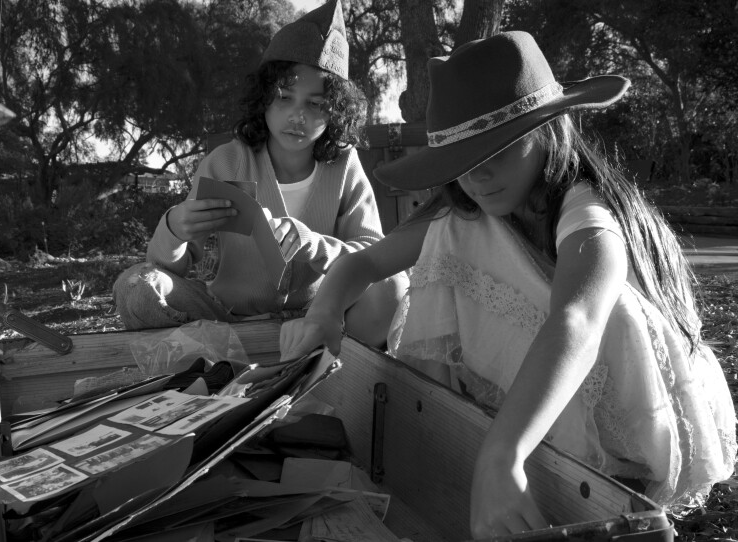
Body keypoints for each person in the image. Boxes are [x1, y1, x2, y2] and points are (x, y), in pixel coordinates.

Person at [279, 31, 737, 537]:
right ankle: (494, 429)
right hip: (536, 396)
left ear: (548, 131)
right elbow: (358, 265)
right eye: (464, 163)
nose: (480, 177)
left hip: (624, 414)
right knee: (456, 230)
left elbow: (578, 320)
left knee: (593, 298)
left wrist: (502, 454)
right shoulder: (467, 212)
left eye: (502, 148)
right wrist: (323, 314)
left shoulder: (585, 210)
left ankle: (543, 458)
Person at [113, 0, 406, 347]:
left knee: (395, 284)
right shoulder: (225, 162)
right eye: (284, 97)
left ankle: (334, 369)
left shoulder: (344, 166)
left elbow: (372, 255)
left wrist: (313, 245)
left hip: (319, 320)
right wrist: (175, 228)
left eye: (314, 104)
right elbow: (168, 269)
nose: (297, 115)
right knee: (136, 286)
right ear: (263, 98)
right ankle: (214, 364)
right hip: (228, 320)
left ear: (336, 112)